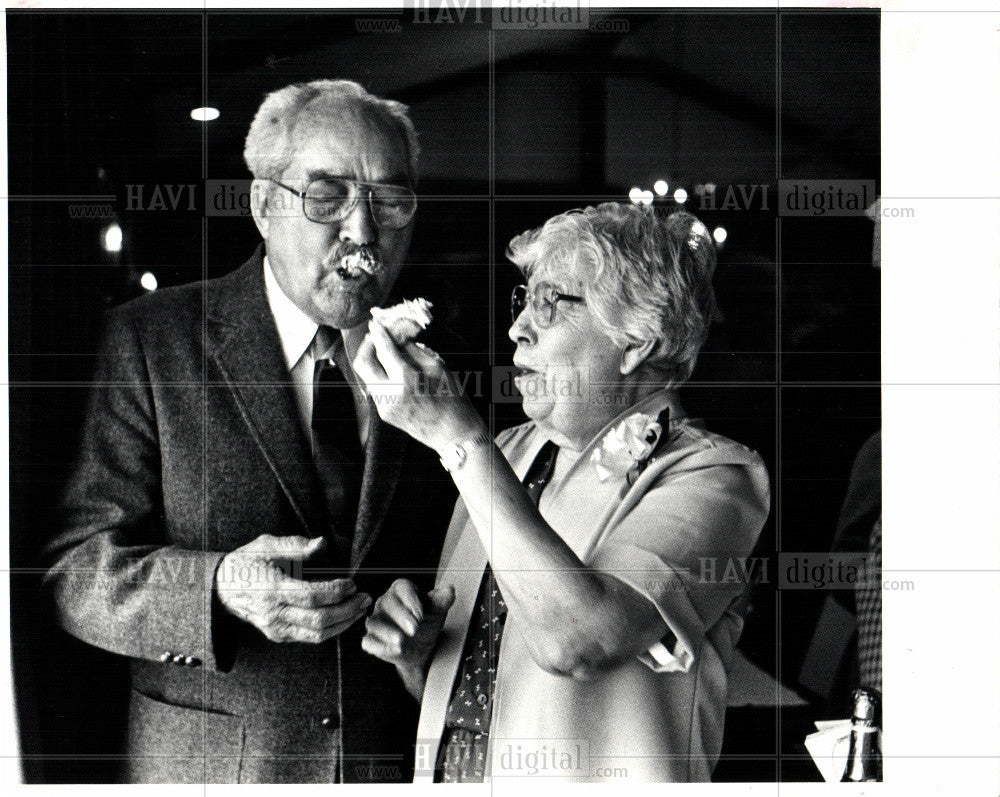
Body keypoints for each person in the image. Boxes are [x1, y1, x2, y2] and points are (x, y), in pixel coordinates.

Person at [42, 79, 457, 783]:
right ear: (263, 204)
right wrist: (217, 588)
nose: (363, 232)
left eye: (389, 202)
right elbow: (72, 568)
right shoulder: (147, 343)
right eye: (327, 196)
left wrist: (427, 640)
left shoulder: (446, 362)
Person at [354, 203, 771, 782]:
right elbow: (475, 700)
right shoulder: (505, 452)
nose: (517, 328)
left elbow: (577, 642)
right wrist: (416, 653)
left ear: (636, 341)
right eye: (523, 300)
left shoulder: (714, 477)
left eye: (549, 302)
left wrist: (458, 439)